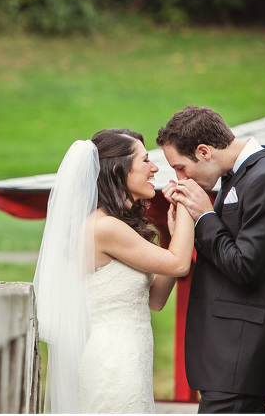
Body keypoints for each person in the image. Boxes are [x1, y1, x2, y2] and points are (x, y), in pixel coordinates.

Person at [33, 128, 195, 414]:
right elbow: (179, 263)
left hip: (130, 357)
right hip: (112, 361)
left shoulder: (108, 225)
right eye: (146, 160)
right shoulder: (104, 227)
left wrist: (173, 237)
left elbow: (155, 300)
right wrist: (187, 205)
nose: (155, 168)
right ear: (119, 169)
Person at [156, 105, 265, 414]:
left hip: (240, 355)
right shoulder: (239, 179)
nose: (180, 177)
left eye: (181, 167)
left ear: (203, 151)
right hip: (227, 359)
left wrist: (205, 216)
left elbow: (246, 267)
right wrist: (186, 228)